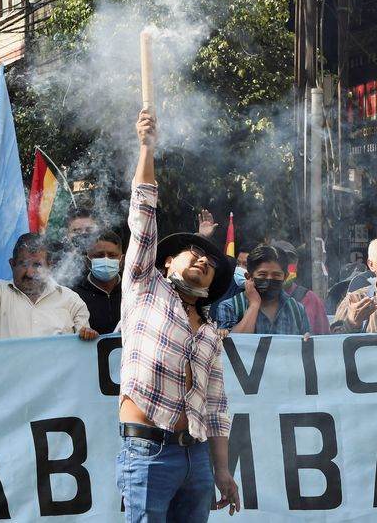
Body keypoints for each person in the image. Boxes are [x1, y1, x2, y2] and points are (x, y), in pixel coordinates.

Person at [118, 109, 239, 522]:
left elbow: (218, 407)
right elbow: (143, 214)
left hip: (198, 459)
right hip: (147, 451)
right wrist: (146, 147)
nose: (204, 260)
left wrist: (222, 471)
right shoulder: (143, 287)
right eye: (196, 253)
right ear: (166, 261)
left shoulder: (209, 331)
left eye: (210, 262)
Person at [0, 226, 98, 341]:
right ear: (12, 264)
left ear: (49, 266)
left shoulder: (71, 300)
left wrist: (88, 335)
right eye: (23, 264)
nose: (30, 273)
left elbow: (82, 348)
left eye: (37, 265)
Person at [213, 244, 310, 336]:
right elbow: (235, 345)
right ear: (249, 276)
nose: (269, 279)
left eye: (276, 275)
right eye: (262, 274)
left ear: (285, 277)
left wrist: (306, 341)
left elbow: (306, 350)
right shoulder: (230, 307)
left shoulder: (297, 310)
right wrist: (254, 305)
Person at [272, 240, 330, 334]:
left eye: (290, 262)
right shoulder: (256, 299)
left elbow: (323, 341)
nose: (285, 267)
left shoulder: (311, 299)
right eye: (279, 262)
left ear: (297, 265)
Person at [71, 229, 123, 334]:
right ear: (87, 261)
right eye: (99, 256)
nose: (106, 260)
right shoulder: (74, 296)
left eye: (112, 255)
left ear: (122, 260)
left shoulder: (134, 291)